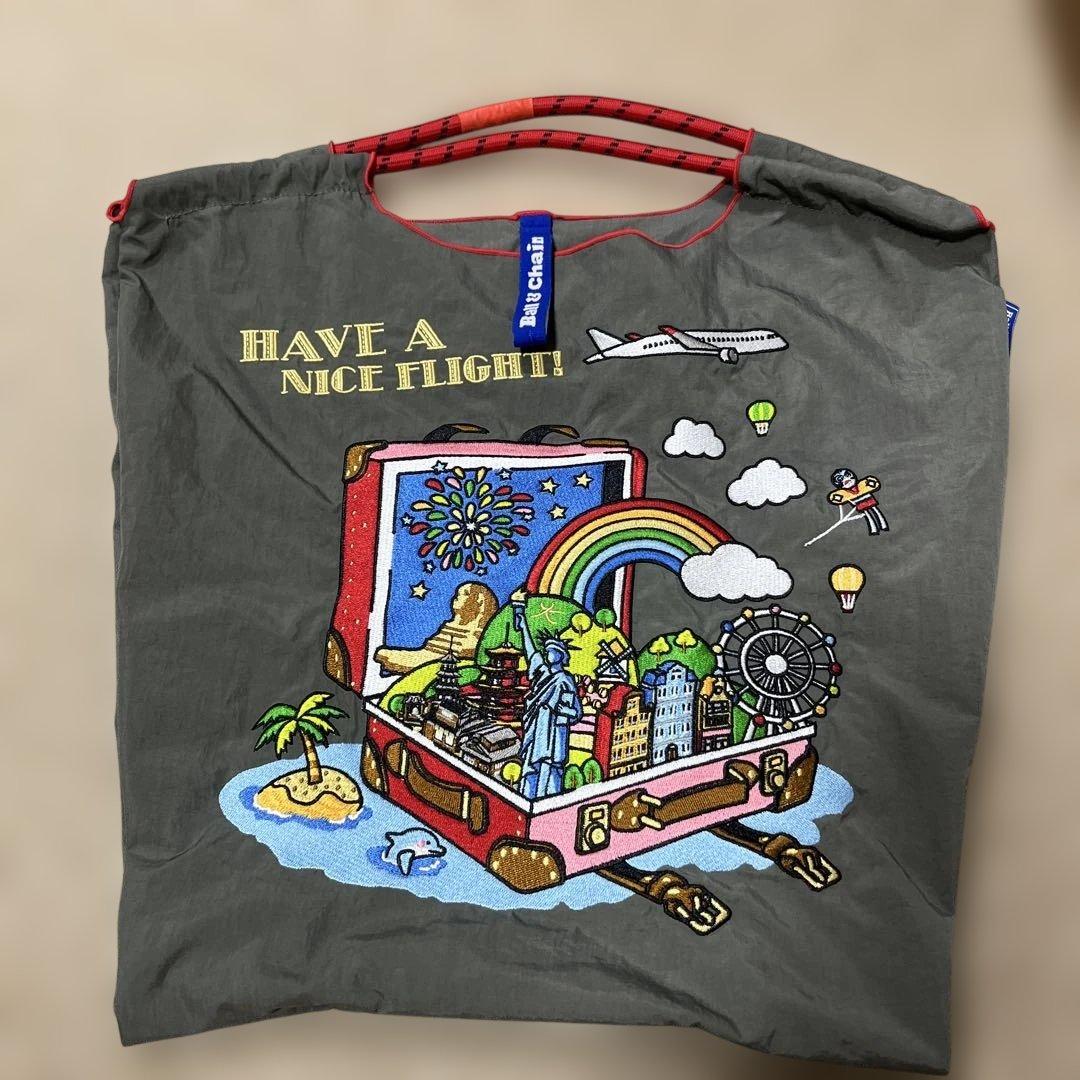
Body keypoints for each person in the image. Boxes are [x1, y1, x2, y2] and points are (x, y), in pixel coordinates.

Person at [512, 594, 582, 798]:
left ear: (562, 656)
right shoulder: (542, 673)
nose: (548, 652)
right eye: (548, 649)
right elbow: (530, 652)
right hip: (537, 728)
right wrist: (523, 624)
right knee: (531, 767)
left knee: (550, 769)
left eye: (553, 650)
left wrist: (565, 710)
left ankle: (548, 800)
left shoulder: (565, 680)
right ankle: (526, 796)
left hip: (554, 733)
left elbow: (577, 712)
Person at [828, 467, 889, 536]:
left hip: (868, 499)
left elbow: (872, 483)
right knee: (868, 514)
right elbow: (836, 498)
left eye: (848, 476)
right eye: (845, 482)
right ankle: (874, 529)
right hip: (860, 504)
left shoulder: (861, 485)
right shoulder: (846, 493)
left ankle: (883, 525)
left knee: (875, 511)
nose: (848, 481)